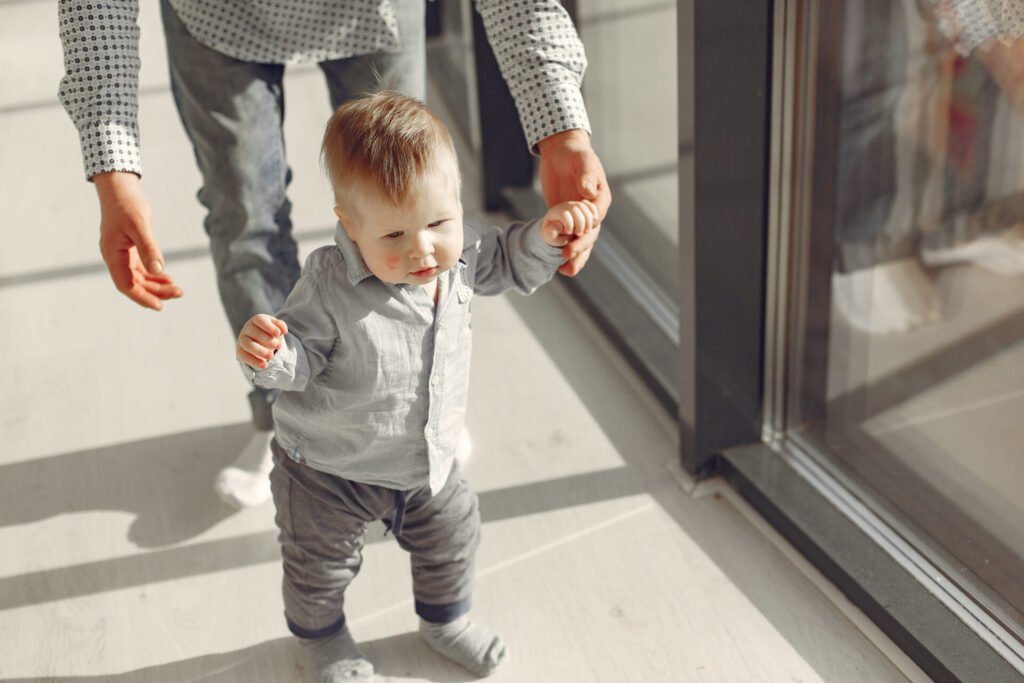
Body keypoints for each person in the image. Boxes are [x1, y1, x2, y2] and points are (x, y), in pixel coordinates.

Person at [57, 0, 611, 508]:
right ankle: (282, 421)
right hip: (217, 17)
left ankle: (417, 416)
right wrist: (113, 170)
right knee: (244, 213)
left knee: (409, 199)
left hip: (375, 11)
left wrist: (560, 126)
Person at [235, 92, 598, 682]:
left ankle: (444, 621)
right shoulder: (328, 286)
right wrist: (271, 353)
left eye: (437, 223)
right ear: (350, 226)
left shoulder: (461, 254)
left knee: (455, 534)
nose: (422, 249)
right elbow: (297, 362)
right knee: (318, 567)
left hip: (425, 461)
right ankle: (323, 643)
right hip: (328, 470)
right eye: (395, 235)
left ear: (455, 200)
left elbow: (506, 258)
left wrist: (547, 235)